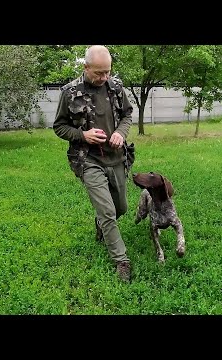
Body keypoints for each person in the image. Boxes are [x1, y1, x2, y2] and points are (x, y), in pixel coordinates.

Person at [53, 45, 134, 282]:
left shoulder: (117, 87)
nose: (104, 77)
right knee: (108, 211)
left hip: (117, 157)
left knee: (121, 208)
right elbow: (59, 126)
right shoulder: (70, 92)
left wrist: (121, 131)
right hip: (88, 160)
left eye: (107, 72)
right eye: (99, 73)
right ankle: (122, 261)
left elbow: (128, 115)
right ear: (86, 67)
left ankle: (101, 224)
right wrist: (83, 135)